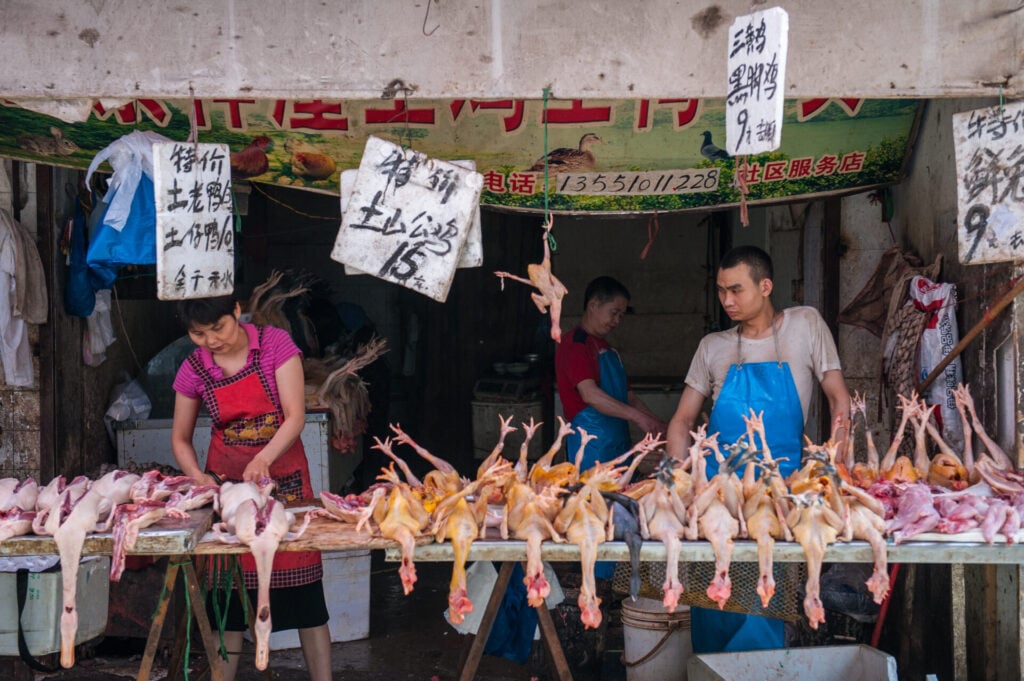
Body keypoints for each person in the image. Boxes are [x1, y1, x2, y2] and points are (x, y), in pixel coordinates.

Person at [666, 245, 851, 654]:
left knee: (765, 597)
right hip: (718, 497)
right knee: (713, 596)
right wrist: (679, 479)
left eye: (736, 290)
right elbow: (681, 421)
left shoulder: (805, 325)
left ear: (765, 286)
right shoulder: (712, 347)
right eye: (720, 291)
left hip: (778, 495)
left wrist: (832, 471)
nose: (727, 300)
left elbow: (840, 401)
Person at [170, 296, 331, 681]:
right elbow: (180, 438)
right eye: (198, 334)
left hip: (286, 485)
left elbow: (295, 416)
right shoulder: (194, 368)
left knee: (307, 601)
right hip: (228, 490)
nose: (210, 341)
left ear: (237, 311)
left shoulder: (275, 345)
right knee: (228, 602)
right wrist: (196, 474)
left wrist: (264, 459)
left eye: (218, 328)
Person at [556, 276, 667, 470]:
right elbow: (590, 395)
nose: (616, 321)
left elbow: (630, 398)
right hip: (590, 448)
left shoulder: (608, 349)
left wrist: (657, 424)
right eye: (614, 313)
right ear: (593, 305)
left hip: (619, 445)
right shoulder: (575, 344)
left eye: (621, 316)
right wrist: (638, 418)